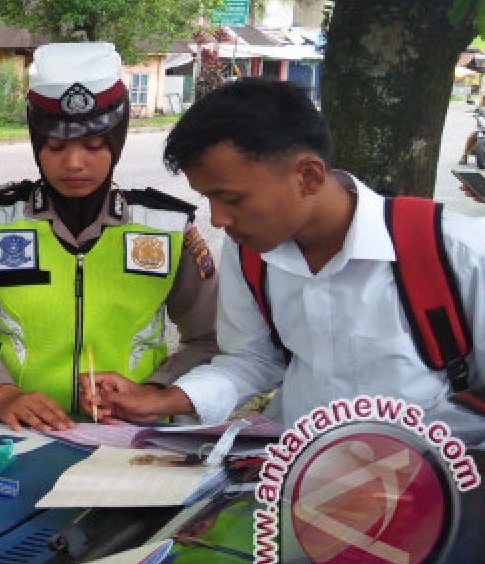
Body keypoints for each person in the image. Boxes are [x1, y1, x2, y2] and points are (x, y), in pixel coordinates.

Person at [86, 78, 485, 443]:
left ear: (308, 176)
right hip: (294, 483)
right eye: (207, 198)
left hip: (433, 491)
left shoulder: (453, 252)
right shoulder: (252, 255)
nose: (218, 219)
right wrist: (163, 399)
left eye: (231, 198)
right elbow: (252, 358)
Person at [0, 42, 220, 432]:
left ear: (118, 140)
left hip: (135, 435)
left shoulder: (167, 227)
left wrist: (154, 393)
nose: (73, 163)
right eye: (55, 146)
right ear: (37, 142)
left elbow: (209, 340)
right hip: (18, 432)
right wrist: (3, 393)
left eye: (93, 146)